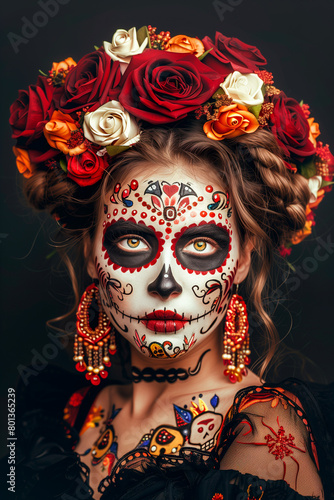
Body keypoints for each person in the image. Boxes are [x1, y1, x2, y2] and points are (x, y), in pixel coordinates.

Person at [8, 25, 334, 499]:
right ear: (93, 253)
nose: (165, 283)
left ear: (242, 260)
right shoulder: (68, 411)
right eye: (132, 242)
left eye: (200, 246)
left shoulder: (263, 435)